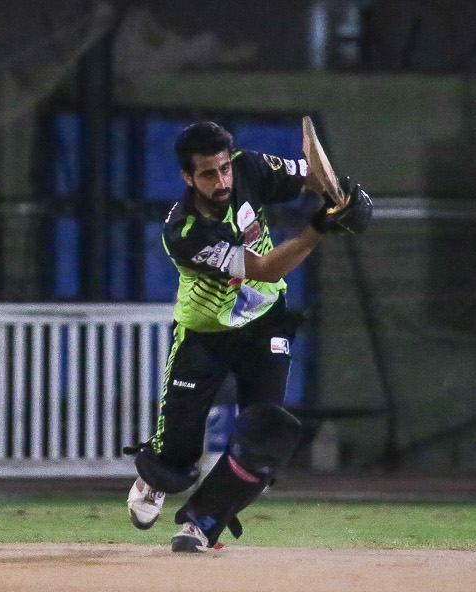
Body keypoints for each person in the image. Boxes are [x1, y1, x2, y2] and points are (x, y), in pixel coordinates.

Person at [124, 121, 371, 552]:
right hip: (204, 334)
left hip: (264, 323)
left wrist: (343, 195)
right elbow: (265, 269)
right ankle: (157, 475)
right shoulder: (185, 233)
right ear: (187, 177)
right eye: (208, 174)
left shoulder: (249, 168)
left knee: (266, 432)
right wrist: (320, 226)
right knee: (179, 453)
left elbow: (311, 174)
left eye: (224, 169)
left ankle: (202, 522)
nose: (222, 182)